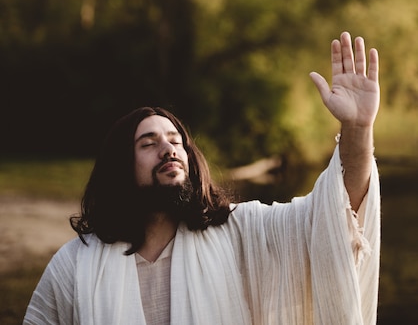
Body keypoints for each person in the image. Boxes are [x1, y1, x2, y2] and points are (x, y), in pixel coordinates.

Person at [23, 31, 380, 325]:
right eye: (149, 143)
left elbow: (331, 217)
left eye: (177, 141)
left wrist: (357, 130)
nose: (169, 149)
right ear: (121, 168)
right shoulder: (75, 265)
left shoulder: (238, 231)